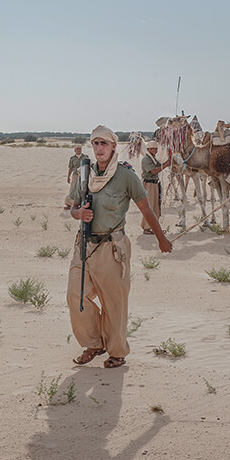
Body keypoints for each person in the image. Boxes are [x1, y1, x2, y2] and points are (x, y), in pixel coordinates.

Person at [67, 126, 172, 368]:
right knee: (75, 296)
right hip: (84, 245)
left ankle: (116, 351)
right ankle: (94, 343)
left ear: (113, 146)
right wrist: (78, 213)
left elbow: (146, 208)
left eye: (104, 143)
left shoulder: (126, 176)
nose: (99, 148)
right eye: (95, 143)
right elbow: (73, 207)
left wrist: (161, 238)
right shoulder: (85, 173)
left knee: (114, 303)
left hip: (112, 248)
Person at [139, 140, 171, 235]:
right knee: (150, 206)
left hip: (154, 184)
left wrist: (168, 160)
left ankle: (154, 227)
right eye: (153, 149)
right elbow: (154, 171)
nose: (155, 151)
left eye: (156, 149)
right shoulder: (146, 159)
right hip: (149, 184)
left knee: (155, 206)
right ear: (149, 149)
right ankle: (146, 228)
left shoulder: (152, 158)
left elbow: (158, 165)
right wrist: (166, 165)